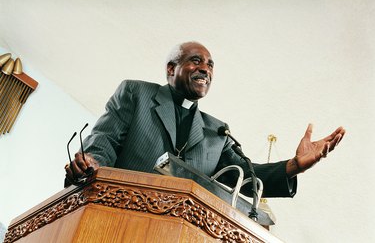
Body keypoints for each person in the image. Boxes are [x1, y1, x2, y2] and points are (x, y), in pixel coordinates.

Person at [65, 41, 345, 198]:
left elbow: (245, 176)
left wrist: (294, 166)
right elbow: (104, 140)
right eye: (196, 60)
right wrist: (92, 163)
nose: (205, 69)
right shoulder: (136, 93)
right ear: (171, 68)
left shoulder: (217, 131)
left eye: (210, 65)